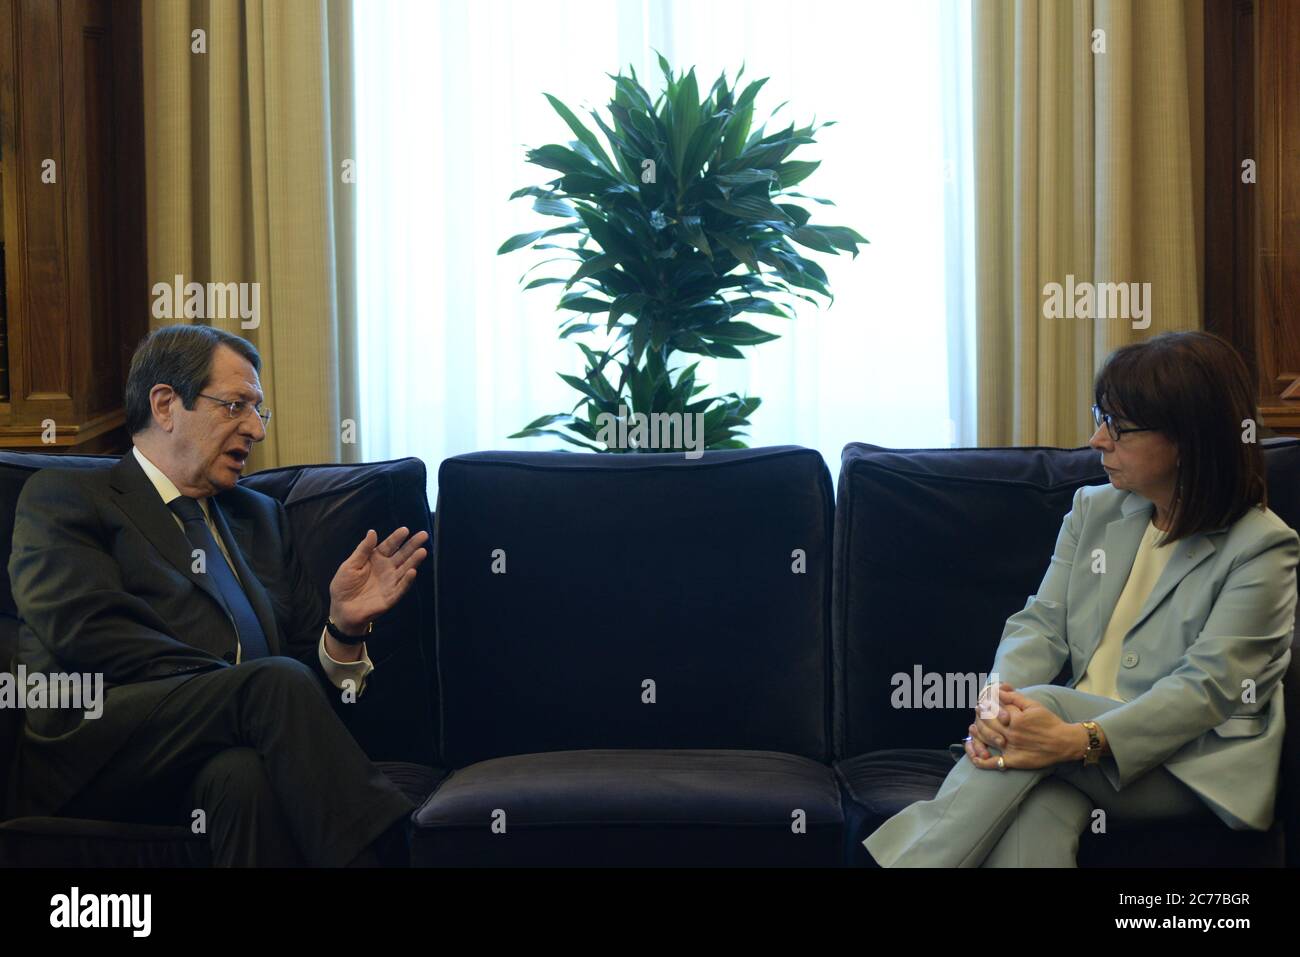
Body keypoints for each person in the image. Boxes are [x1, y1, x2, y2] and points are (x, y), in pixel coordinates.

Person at [865, 330, 1299, 867]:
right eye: (1101, 416)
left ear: (1189, 438)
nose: (1097, 439)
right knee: (1040, 807)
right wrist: (1000, 701)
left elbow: (1206, 689)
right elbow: (1041, 624)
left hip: (1186, 763)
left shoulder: (1261, 546)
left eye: (1118, 426)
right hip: (1071, 751)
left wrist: (1076, 740)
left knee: (1045, 707)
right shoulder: (1096, 511)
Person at [5, 324, 428, 866]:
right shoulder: (68, 497)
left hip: (211, 755)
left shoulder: (261, 519)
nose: (254, 428)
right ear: (165, 404)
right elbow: (83, 630)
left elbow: (304, 685)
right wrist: (237, 690)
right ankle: (397, 854)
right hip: (97, 743)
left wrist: (342, 628)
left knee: (243, 777)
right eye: (235, 406)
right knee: (271, 683)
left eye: (258, 411)